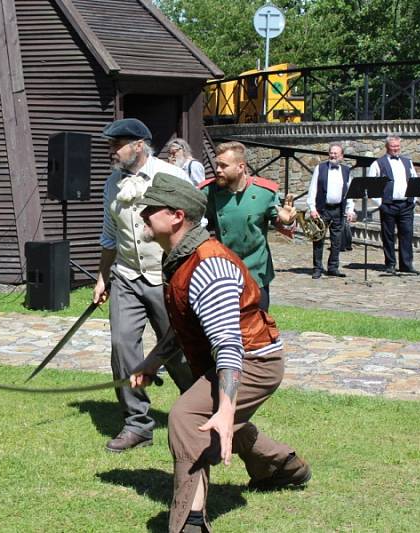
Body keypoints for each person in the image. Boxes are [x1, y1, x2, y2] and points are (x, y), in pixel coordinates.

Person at [132, 173, 310, 533]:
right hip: (236, 358)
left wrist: (226, 409)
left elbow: (230, 344)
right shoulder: (183, 257)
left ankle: (190, 522)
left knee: (187, 417)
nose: (143, 216)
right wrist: (153, 360)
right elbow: (186, 322)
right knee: (213, 420)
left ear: (177, 216)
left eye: (151, 209)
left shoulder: (208, 266)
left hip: (254, 362)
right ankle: (284, 467)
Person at [93, 118, 195, 453]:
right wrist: (103, 276)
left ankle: (200, 410)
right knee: (122, 346)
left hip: (165, 275)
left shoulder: (171, 176)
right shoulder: (112, 183)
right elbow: (110, 235)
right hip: (126, 275)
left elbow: (197, 224)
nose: (111, 150)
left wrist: (185, 273)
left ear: (139, 145)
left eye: (117, 144)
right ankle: (137, 424)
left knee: (178, 351)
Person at [201, 141, 296, 310]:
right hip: (224, 271)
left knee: (258, 330)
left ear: (240, 167)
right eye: (217, 165)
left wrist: (288, 220)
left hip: (256, 272)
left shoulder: (263, 192)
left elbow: (281, 222)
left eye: (223, 166)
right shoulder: (209, 192)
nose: (218, 170)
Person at [368, 136, 419, 275]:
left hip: (406, 205)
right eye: (393, 146)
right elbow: (371, 188)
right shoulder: (378, 164)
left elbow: (415, 180)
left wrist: (413, 200)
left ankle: (406, 265)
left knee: (407, 235)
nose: (396, 149)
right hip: (388, 205)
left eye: (397, 146)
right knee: (388, 236)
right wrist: (381, 204)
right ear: (387, 147)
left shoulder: (407, 162)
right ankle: (390, 264)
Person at [305, 142, 356, 278]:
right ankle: (317, 268)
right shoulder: (320, 168)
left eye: (335, 154)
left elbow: (349, 192)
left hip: (338, 210)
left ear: (341, 156)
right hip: (322, 208)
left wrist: (350, 209)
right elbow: (313, 188)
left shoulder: (346, 170)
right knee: (318, 239)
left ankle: (333, 267)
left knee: (337, 240)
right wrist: (312, 208)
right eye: (331, 153)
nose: (332, 156)